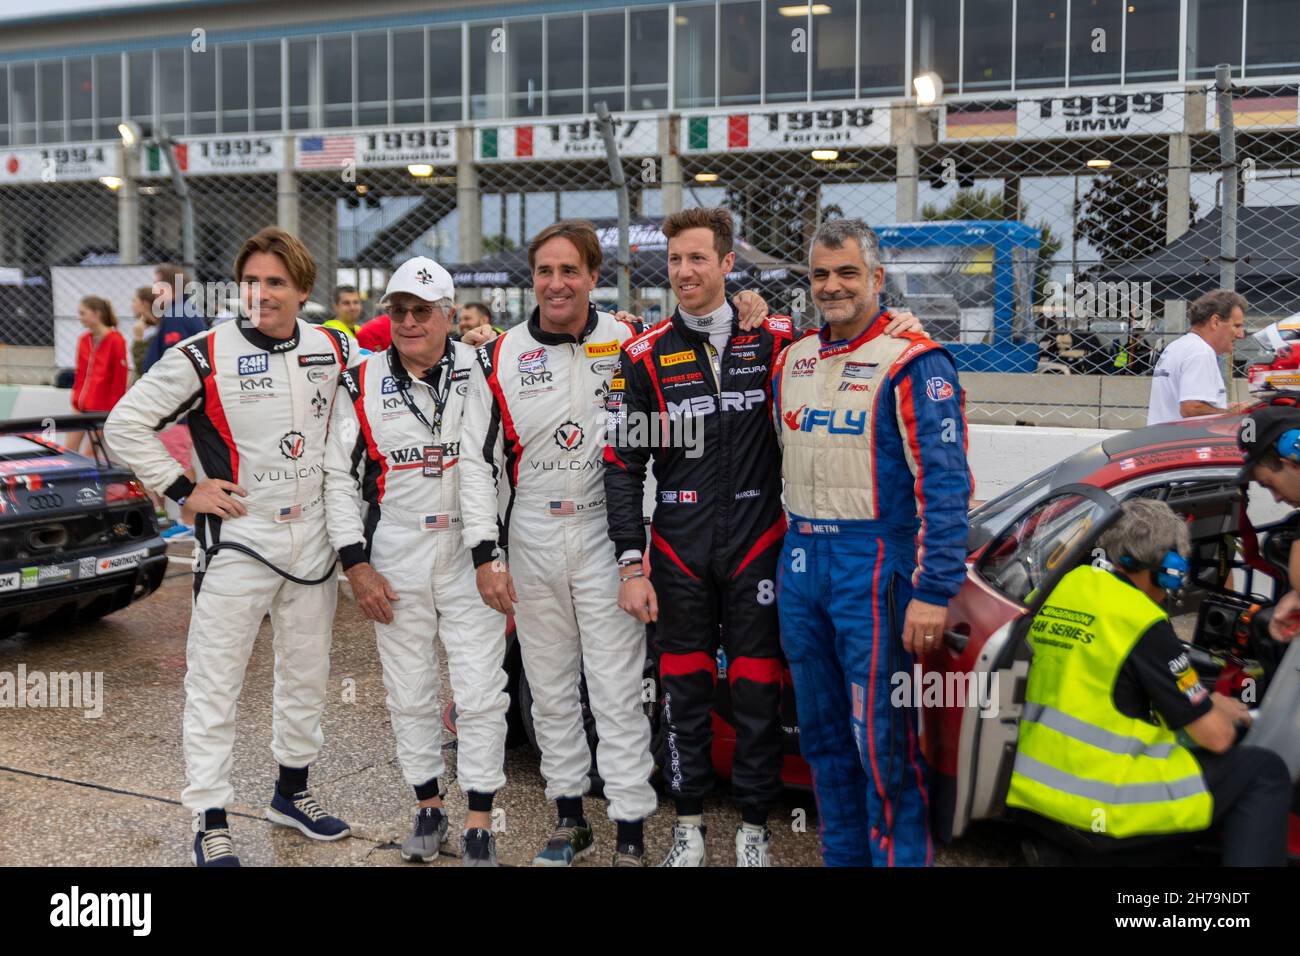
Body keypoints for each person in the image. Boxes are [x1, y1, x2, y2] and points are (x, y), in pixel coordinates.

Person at [604, 207, 923, 867]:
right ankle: (688, 824)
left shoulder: (777, 340)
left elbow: (847, 343)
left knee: (755, 692)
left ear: (727, 264)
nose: (685, 272)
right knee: (684, 691)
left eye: (698, 258)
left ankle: (754, 828)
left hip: (759, 540)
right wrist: (631, 564)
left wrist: (903, 327)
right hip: (679, 545)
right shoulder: (644, 355)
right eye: (675, 261)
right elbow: (622, 465)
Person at [459, 218, 770, 867]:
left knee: (618, 689)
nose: (556, 282)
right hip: (533, 534)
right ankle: (570, 821)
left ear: (594, 276)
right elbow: (474, 462)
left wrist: (750, 309)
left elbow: (663, 438)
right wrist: (486, 552)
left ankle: (630, 830)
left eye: (570, 270)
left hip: (608, 532)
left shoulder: (631, 341)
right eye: (545, 270)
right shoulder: (501, 354)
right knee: (548, 690)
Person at [105, 228, 358, 867]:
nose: (262, 294)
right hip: (239, 542)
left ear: (304, 291)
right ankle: (210, 816)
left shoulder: (333, 345)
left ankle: (291, 795)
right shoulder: (201, 355)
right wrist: (183, 488)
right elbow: (124, 424)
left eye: (277, 282)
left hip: (314, 543)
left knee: (305, 675)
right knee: (214, 684)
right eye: (252, 282)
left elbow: (389, 370)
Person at [772, 218, 972, 867]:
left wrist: (934, 591)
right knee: (824, 745)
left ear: (877, 278)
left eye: (847, 273)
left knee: (883, 748)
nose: (832, 286)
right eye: (821, 275)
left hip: (876, 568)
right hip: (802, 561)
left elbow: (946, 488)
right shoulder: (792, 359)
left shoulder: (916, 360)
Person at [323, 257, 509, 867]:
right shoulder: (360, 378)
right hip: (395, 551)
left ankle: (480, 817)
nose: (407, 321)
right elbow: (337, 479)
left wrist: (487, 556)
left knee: (481, 691)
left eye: (421, 310)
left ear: (449, 315)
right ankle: (428, 806)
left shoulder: (481, 364)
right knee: (409, 692)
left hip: (465, 548)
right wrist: (357, 565)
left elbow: (482, 469)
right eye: (397, 310)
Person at [1005, 498, 1291, 866]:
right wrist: (1224, 713)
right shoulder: (1141, 621)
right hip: (1100, 807)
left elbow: (1099, 681)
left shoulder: (1064, 586)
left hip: (1035, 798)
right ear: (1166, 570)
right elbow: (1215, 738)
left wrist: (1203, 700)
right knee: (1262, 769)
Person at [1146, 289, 1250, 426]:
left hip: (1163, 440)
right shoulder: (1200, 352)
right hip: (1182, 443)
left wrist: (1226, 407)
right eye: (1236, 326)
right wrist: (1234, 413)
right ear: (1215, 322)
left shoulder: (1178, 346)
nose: (1240, 334)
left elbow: (1187, 405)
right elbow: (1191, 409)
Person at [140, 263, 207, 376]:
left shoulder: (176, 316)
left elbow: (174, 363)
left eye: (157, 285)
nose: (154, 290)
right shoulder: (184, 310)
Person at [71, 296, 129, 415]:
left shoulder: (116, 340)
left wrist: (113, 407)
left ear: (97, 314)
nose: (79, 318)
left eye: (83, 313)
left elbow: (119, 378)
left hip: (103, 408)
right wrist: (76, 398)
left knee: (100, 434)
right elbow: (80, 373)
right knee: (71, 432)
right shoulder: (83, 339)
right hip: (81, 404)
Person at [129, 286, 158, 383]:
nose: (131, 306)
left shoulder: (156, 332)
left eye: (134, 301)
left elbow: (143, 367)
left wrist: (138, 339)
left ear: (144, 304)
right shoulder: (144, 327)